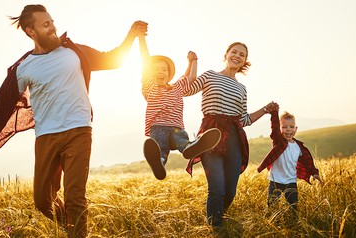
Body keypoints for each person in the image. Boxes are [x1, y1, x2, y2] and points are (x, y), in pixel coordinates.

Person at [0, 4, 147, 237]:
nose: (53, 28)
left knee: (75, 197)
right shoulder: (24, 67)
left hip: (78, 131)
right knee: (42, 201)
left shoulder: (74, 51)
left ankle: (77, 230)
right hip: (46, 136)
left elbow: (113, 60)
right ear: (31, 31)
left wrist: (131, 35)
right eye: (45, 24)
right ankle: (72, 226)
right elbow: (4, 105)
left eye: (52, 22)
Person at [184, 42, 278, 227]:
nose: (237, 56)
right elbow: (187, 90)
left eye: (242, 55)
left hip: (234, 138)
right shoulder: (210, 75)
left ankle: (218, 216)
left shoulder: (242, 89)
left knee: (230, 192)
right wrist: (192, 62)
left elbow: (244, 120)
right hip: (210, 136)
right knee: (217, 189)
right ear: (226, 54)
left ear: (244, 61)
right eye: (234, 52)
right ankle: (216, 228)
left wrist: (265, 109)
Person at [138, 34, 221, 180]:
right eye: (156, 69)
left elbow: (190, 77)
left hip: (176, 128)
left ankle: (189, 148)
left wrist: (193, 61)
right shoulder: (150, 87)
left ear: (169, 75)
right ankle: (160, 163)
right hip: (158, 127)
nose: (160, 72)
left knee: (181, 139)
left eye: (164, 70)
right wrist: (141, 39)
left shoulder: (177, 88)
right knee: (160, 147)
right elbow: (145, 60)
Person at [257, 109, 323, 212]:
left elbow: (308, 161)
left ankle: (294, 223)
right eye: (284, 127)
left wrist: (314, 172)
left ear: (296, 129)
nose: (288, 130)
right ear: (279, 129)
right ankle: (272, 223)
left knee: (294, 207)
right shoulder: (279, 142)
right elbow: (274, 127)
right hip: (275, 181)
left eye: (291, 127)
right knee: (272, 207)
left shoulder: (298, 147)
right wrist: (274, 112)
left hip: (291, 181)